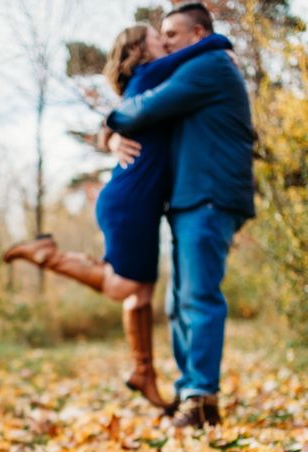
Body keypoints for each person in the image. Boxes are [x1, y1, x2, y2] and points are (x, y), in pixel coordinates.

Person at [3, 22, 232, 413]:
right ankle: (47, 254)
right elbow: (189, 55)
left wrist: (107, 136)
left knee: (140, 292)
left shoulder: (147, 82)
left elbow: (119, 116)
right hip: (130, 202)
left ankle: (144, 373)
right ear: (141, 51)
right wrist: (218, 40)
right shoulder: (151, 72)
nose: (165, 43)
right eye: (158, 39)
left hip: (139, 202)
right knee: (120, 287)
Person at [104, 2, 255, 427]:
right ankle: (191, 392)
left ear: (197, 34)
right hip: (189, 199)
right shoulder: (195, 67)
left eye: (171, 34)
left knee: (198, 297)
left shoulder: (208, 66)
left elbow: (144, 109)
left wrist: (110, 126)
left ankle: (201, 397)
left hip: (208, 196)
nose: (164, 42)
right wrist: (113, 141)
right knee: (177, 302)